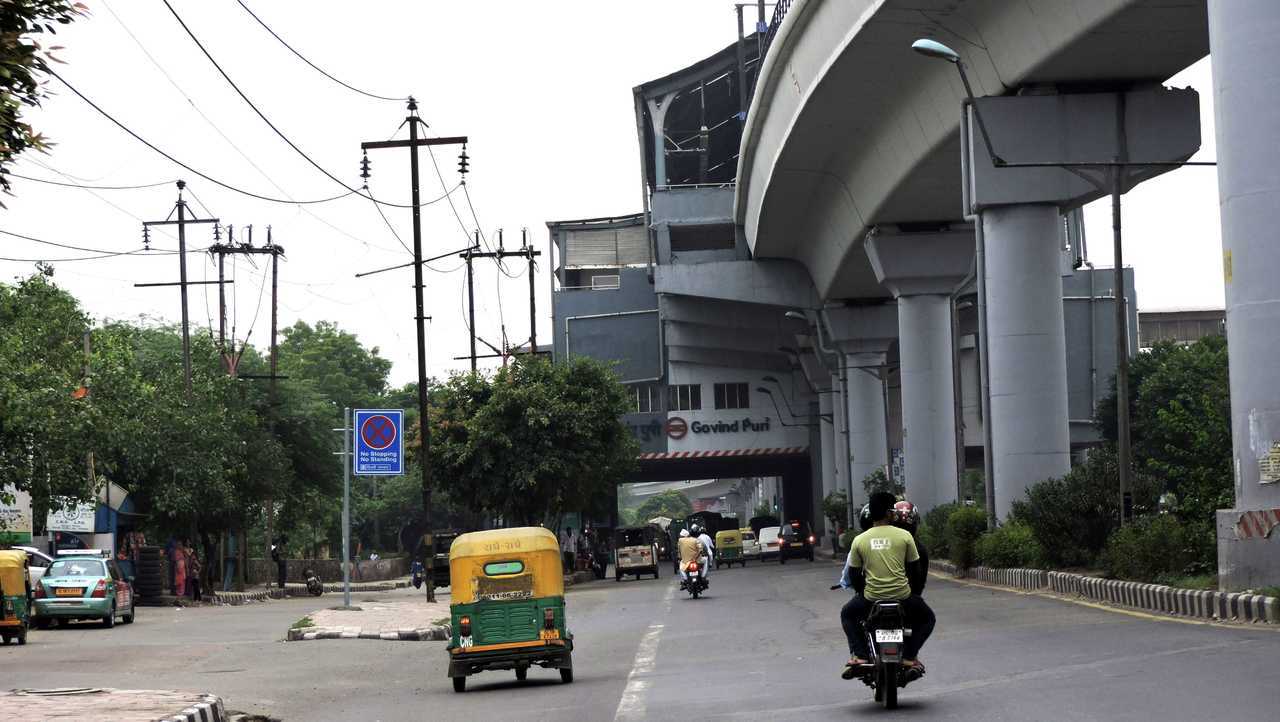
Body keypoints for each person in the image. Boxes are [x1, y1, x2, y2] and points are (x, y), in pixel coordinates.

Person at [837, 492, 936, 679]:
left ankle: (860, 655)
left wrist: (862, 592)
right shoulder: (905, 536)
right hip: (902, 596)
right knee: (928, 618)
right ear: (889, 514)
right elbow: (916, 571)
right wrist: (912, 593)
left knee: (847, 614)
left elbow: (854, 574)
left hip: (871, 597)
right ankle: (908, 656)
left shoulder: (859, 540)